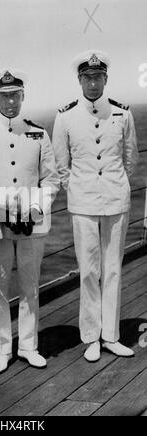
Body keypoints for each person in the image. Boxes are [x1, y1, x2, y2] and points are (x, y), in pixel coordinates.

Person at [0, 68, 60, 374]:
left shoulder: (38, 133)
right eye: (3, 97)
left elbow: (51, 180)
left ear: (23, 96)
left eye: (15, 95)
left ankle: (28, 346)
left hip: (31, 226)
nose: (10, 102)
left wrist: (32, 210)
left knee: (30, 287)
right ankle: (1, 349)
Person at [52, 50, 139, 362]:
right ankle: (90, 336)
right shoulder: (65, 117)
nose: (92, 82)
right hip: (84, 203)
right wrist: (80, 189)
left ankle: (111, 336)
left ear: (106, 79)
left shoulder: (122, 114)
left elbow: (131, 159)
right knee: (89, 271)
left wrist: (115, 185)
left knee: (113, 267)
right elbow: (61, 166)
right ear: (79, 80)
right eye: (87, 77)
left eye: (97, 76)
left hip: (116, 200)